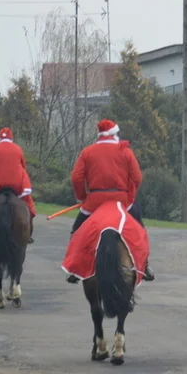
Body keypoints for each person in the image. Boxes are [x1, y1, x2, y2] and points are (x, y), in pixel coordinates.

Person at [66, 119, 153, 283]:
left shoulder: (87, 152)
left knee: (77, 229)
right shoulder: (126, 151)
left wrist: (83, 197)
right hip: (122, 202)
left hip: (94, 202)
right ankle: (145, 264)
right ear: (114, 134)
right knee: (139, 227)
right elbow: (137, 177)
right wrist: (130, 196)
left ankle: (74, 268)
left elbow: (76, 178)